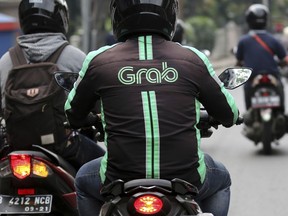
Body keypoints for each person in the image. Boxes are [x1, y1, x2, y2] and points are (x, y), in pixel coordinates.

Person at [65, 0, 240, 215]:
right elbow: (229, 115)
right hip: (187, 178)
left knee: (83, 179)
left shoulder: (98, 60)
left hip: (117, 180)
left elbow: (72, 114)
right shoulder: (193, 59)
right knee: (221, 179)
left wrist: (91, 118)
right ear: (171, 14)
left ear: (117, 14)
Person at [0, 0, 105, 169]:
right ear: (62, 18)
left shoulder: (6, 61)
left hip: (16, 149)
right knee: (103, 172)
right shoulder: (75, 57)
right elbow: (97, 101)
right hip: (65, 147)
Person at [235, 4, 288, 141]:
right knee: (280, 87)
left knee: (247, 88)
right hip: (272, 77)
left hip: (253, 79)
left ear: (249, 20)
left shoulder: (243, 41)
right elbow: (284, 59)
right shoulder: (274, 40)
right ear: (266, 20)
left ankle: (249, 112)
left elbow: (239, 60)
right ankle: (281, 111)